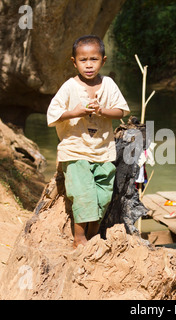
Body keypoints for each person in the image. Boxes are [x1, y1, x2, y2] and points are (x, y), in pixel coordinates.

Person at [47, 35, 130, 248]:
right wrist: (75, 112)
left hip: (103, 151)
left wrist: (102, 111)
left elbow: (121, 110)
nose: (89, 64)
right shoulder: (69, 87)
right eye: (83, 60)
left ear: (103, 60)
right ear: (74, 62)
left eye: (94, 59)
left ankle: (93, 235)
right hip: (75, 150)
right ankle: (78, 238)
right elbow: (52, 115)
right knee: (83, 194)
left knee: (103, 197)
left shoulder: (108, 84)